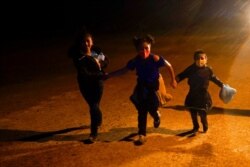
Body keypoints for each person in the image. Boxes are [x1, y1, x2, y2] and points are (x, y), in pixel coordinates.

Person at [108, 34, 177, 145]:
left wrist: (173, 79)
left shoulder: (155, 58)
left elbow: (169, 66)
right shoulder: (135, 61)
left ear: (150, 48)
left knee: (153, 107)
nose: (144, 51)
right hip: (142, 86)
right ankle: (142, 134)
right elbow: (124, 70)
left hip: (153, 87)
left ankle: (156, 115)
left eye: (146, 48)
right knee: (142, 110)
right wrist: (109, 75)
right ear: (137, 50)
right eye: (141, 49)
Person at [68, 31, 109, 143]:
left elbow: (106, 61)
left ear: (92, 41)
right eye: (83, 41)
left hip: (98, 83)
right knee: (94, 105)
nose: (86, 44)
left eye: (88, 41)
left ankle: (93, 133)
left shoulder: (95, 52)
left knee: (93, 105)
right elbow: (84, 74)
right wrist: (101, 74)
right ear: (80, 43)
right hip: (85, 84)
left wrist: (101, 64)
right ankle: (98, 119)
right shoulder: (79, 57)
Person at [175, 49, 226, 135]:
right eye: (197, 59)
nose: (200, 61)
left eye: (202, 58)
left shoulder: (208, 70)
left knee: (202, 113)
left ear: (206, 59)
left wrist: (222, 85)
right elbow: (181, 75)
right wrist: (175, 80)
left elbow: (214, 78)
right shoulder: (190, 69)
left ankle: (205, 125)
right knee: (193, 112)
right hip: (192, 94)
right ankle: (195, 127)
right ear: (194, 60)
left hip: (203, 95)